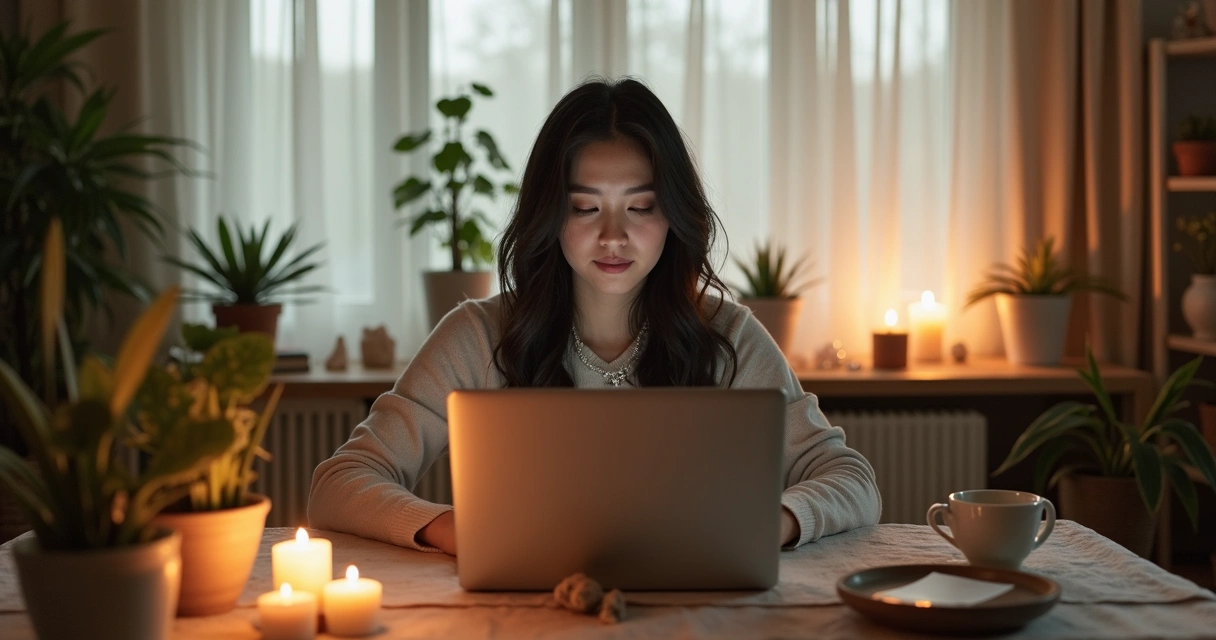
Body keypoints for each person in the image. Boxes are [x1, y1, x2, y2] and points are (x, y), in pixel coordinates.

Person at [308, 78, 881, 556]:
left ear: (673, 214)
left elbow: (852, 480)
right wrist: (454, 529)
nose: (613, 235)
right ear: (549, 214)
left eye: (640, 207)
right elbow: (338, 483)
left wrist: (772, 522)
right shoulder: (476, 335)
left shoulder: (729, 337)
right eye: (585, 207)